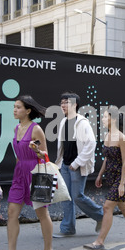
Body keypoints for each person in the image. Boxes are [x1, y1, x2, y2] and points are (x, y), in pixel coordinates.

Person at [0, 95, 54, 250]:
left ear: (28, 110)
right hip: (20, 173)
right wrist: (17, 173)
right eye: (14, 107)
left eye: (18, 107)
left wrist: (36, 150)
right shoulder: (16, 128)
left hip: (36, 173)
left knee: (42, 213)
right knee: (12, 212)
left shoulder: (36, 129)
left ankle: (48, 249)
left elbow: (46, 156)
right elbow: (18, 156)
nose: (15, 110)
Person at [83, 106, 125, 250]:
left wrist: (122, 184)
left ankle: (99, 241)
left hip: (122, 176)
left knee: (107, 206)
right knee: (122, 205)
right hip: (111, 175)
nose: (102, 119)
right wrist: (99, 174)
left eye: (104, 116)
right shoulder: (107, 135)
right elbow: (107, 158)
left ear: (113, 119)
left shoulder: (121, 138)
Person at [53, 92, 103, 237]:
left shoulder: (82, 122)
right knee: (66, 198)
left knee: (77, 196)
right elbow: (62, 145)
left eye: (66, 102)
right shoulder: (63, 122)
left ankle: (101, 215)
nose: (63, 105)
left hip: (76, 167)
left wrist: (77, 163)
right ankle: (67, 228)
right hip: (65, 166)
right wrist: (61, 162)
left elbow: (90, 144)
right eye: (61, 102)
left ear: (75, 105)